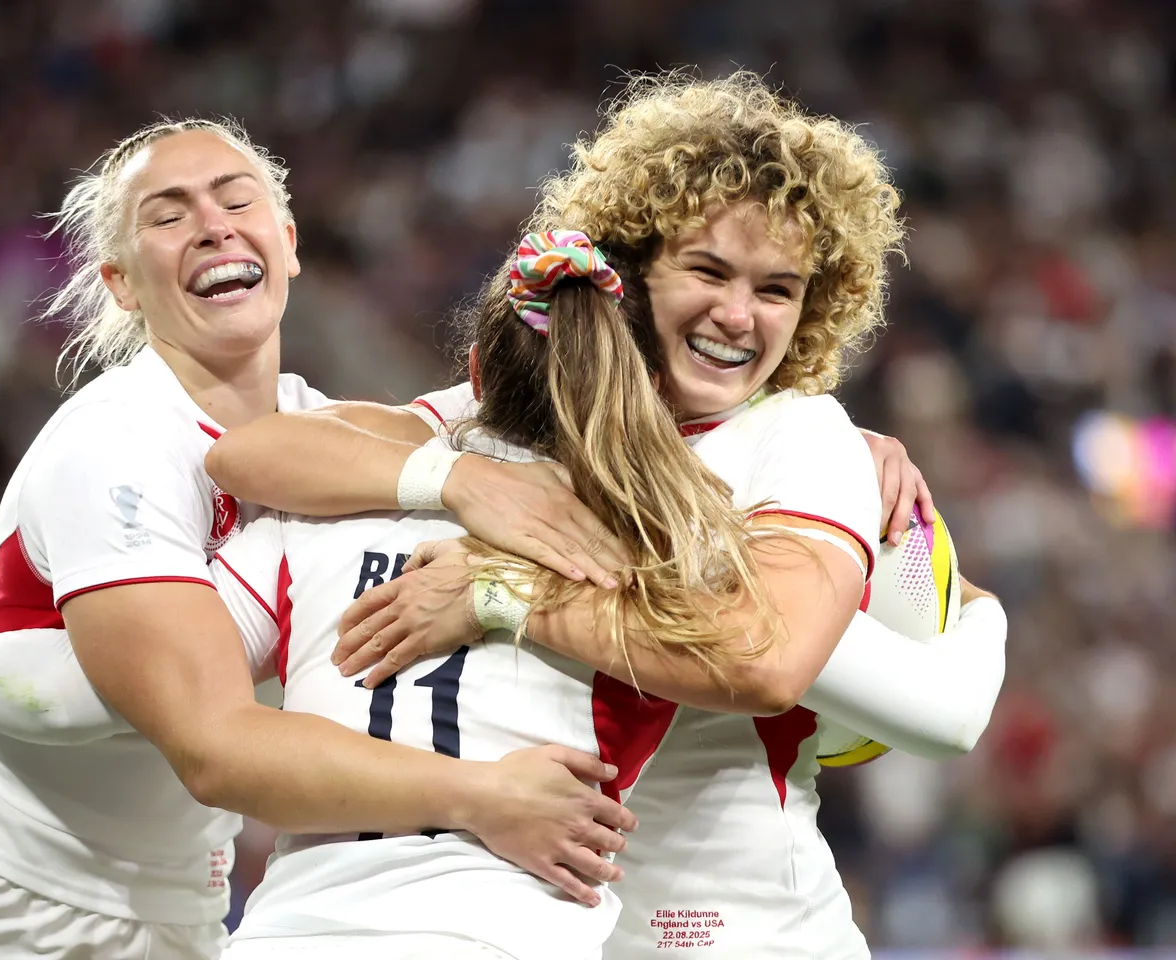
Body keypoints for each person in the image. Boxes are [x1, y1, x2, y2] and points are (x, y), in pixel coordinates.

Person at [200, 72, 1008, 959]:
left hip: (748, 933)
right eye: (707, 270)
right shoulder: (535, 422)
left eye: (778, 290)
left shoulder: (801, 443)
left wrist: (504, 593)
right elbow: (256, 453)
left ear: (814, 308)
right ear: (632, 270)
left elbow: (774, 662)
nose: (737, 315)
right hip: (566, 924)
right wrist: (455, 480)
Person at [0, 118, 636, 960]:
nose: (213, 225)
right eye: (169, 216)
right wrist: (482, 797)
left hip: (178, 913)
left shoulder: (329, 438)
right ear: (121, 283)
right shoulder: (118, 442)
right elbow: (205, 740)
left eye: (237, 200)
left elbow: (519, 402)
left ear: (289, 242)